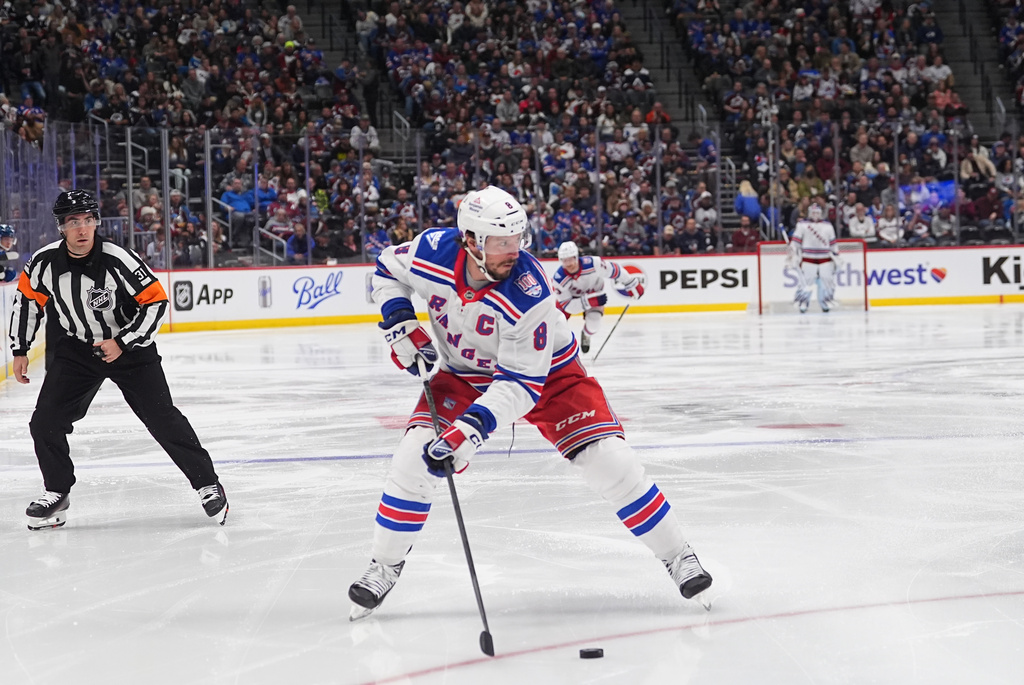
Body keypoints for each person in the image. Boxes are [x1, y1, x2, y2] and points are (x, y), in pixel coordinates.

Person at [347, 186, 711, 619]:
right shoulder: (431, 250)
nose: (511, 250)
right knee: (412, 462)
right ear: (470, 240)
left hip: (550, 376)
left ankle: (678, 556)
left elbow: (521, 384)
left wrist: (471, 431)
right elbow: (388, 269)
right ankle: (384, 566)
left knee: (610, 462)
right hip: (461, 375)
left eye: (517, 239)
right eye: (500, 242)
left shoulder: (529, 289)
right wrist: (400, 322)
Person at [8, 190, 228, 530]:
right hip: (77, 350)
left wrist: (123, 342)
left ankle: (207, 484)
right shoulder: (43, 262)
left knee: (162, 417)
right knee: (45, 421)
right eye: (73, 222)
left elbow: (156, 302)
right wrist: (20, 349)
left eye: (87, 220)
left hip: (131, 351)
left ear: (96, 222)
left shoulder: (118, 259)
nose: (82, 229)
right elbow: (26, 302)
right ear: (61, 227)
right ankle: (57, 492)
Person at [551, 241, 645, 353]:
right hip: (575, 299)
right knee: (556, 324)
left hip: (595, 295)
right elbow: (568, 306)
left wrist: (630, 283)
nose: (568, 264)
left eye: (571, 259)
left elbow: (614, 270)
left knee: (594, 325)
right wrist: (588, 301)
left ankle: (586, 335)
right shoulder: (559, 279)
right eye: (564, 260)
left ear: (576, 256)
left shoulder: (593, 263)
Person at [789, 202, 840, 314]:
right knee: (807, 282)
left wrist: (836, 254)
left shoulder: (828, 226)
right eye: (813, 212)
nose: (815, 215)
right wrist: (793, 250)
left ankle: (825, 303)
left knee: (826, 282)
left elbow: (832, 243)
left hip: (825, 257)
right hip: (808, 257)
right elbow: (796, 241)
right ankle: (803, 303)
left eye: (817, 212)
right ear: (809, 213)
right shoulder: (802, 225)